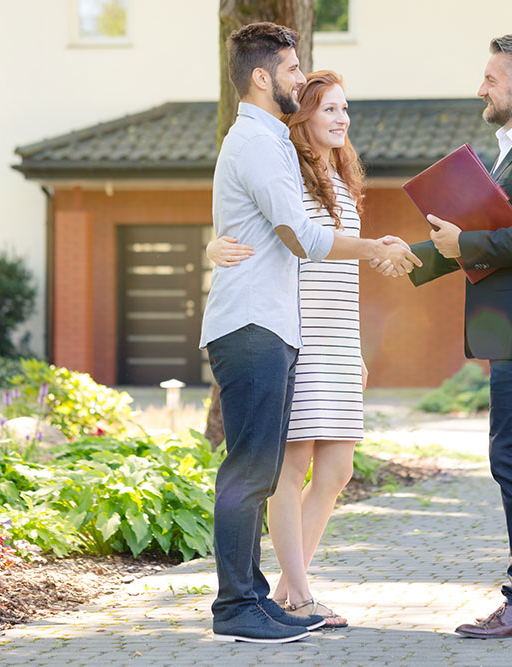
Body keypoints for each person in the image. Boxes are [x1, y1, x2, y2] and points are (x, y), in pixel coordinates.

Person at [201, 22, 420, 644]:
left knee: (263, 469)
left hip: (274, 325)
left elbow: (264, 225)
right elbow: (302, 234)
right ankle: (236, 606)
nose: (302, 77)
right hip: (254, 324)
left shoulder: (265, 141)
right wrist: (375, 247)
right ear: (264, 76)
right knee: (251, 470)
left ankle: (256, 598)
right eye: (295, 70)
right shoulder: (258, 144)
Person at [375, 33, 512, 638]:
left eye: (491, 79)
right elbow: (483, 229)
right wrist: (415, 254)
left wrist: (462, 244)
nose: (481, 89)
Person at [207, 70, 373, 629]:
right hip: (295, 326)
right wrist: (213, 243)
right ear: (302, 116)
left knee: (339, 467)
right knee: (292, 465)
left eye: (344, 109)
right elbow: (270, 235)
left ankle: (285, 586)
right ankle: (299, 592)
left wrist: (356, 350)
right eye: (328, 109)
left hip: (338, 336)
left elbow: (345, 273)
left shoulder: (345, 178)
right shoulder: (286, 170)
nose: (340, 119)